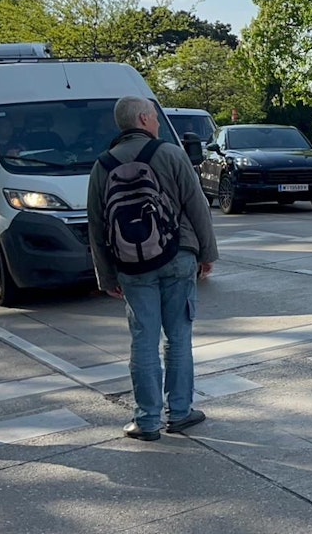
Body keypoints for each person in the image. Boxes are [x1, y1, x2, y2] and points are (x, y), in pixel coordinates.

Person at [88, 96, 218, 441]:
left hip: (131, 265)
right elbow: (198, 207)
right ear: (144, 118)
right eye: (156, 118)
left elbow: (97, 226)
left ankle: (146, 421)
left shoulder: (102, 165)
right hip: (177, 257)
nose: (158, 123)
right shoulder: (172, 154)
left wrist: (106, 276)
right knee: (178, 338)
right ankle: (180, 413)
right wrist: (207, 253)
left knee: (143, 341)